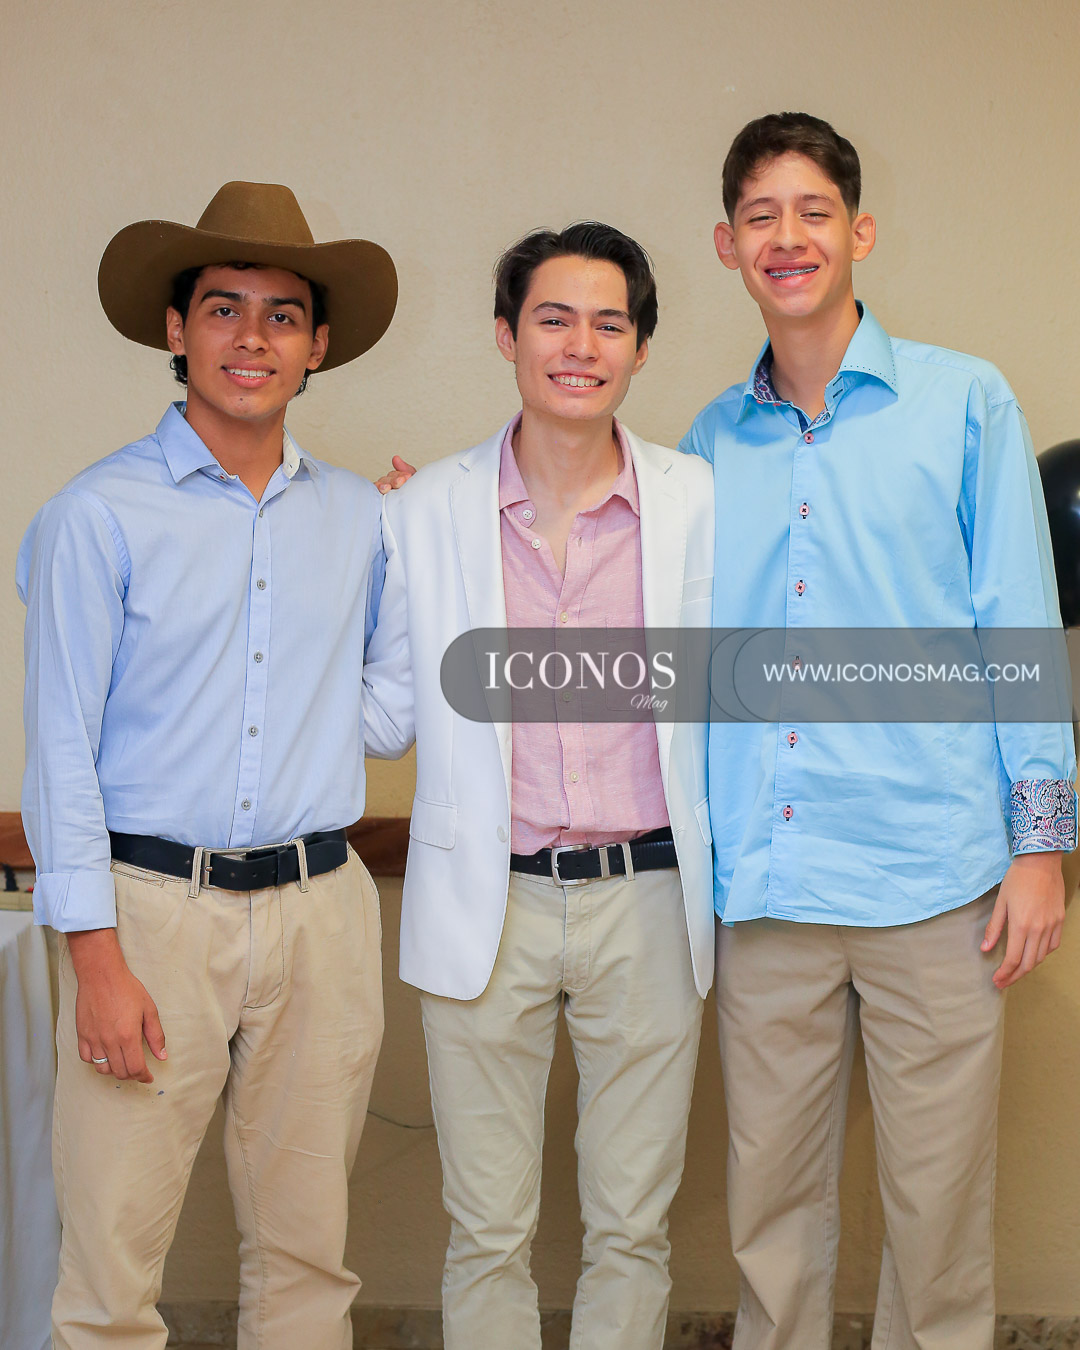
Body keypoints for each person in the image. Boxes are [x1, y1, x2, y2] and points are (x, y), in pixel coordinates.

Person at [679, 112, 1076, 1350]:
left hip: (937, 879)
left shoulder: (965, 402)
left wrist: (1042, 845)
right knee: (769, 1218)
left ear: (860, 232)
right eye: (760, 215)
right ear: (727, 245)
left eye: (813, 211)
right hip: (770, 882)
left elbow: (1021, 622)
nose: (786, 237)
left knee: (939, 1216)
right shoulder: (707, 442)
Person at [17, 180, 397, 1350]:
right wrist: (94, 959)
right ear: (176, 329)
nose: (252, 337)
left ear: (317, 345)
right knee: (112, 1271)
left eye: (283, 315)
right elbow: (60, 750)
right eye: (223, 308)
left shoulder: (361, 518)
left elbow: (387, 717)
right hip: (149, 916)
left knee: (308, 1260)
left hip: (321, 913)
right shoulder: (95, 516)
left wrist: (437, 545)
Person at [362, 222, 715, 1350]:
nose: (580, 346)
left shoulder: (700, 501)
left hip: (649, 893)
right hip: (488, 896)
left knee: (633, 1229)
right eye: (553, 319)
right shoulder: (420, 511)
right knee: (487, 1232)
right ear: (506, 335)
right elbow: (384, 712)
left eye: (609, 324)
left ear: (641, 348)